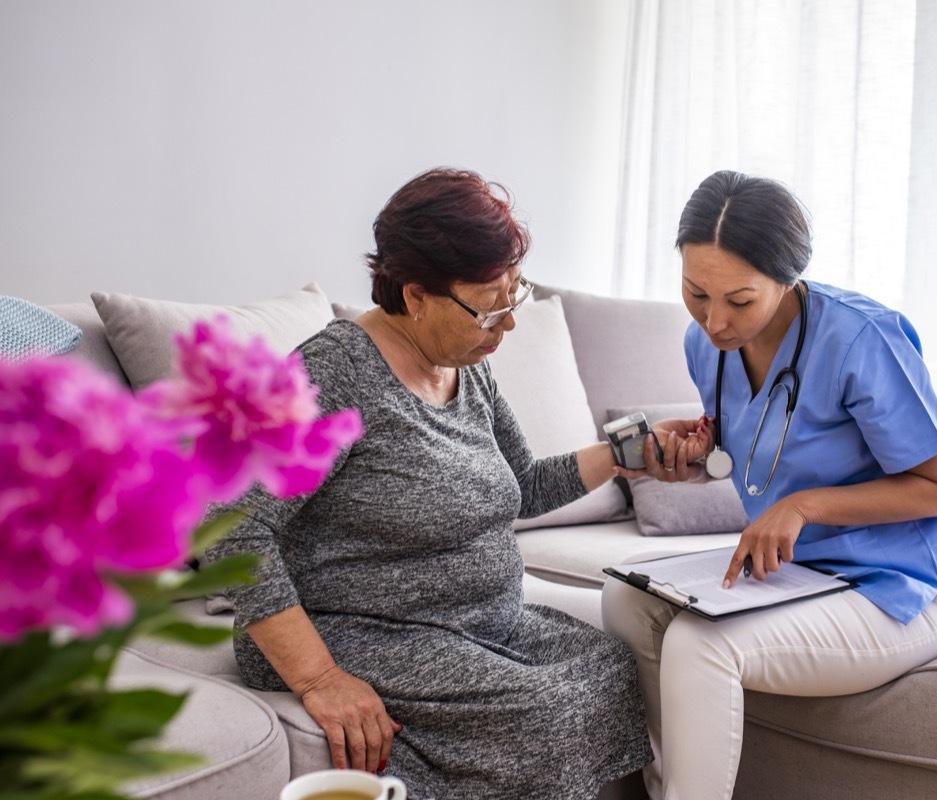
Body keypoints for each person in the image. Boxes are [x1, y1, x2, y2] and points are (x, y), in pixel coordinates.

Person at [209, 167, 652, 800]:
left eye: (514, 294)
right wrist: (319, 679)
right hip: (358, 628)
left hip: (474, 622)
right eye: (489, 306)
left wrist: (624, 456)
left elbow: (520, 486)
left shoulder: (463, 367)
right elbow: (232, 526)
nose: (508, 325)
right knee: (545, 709)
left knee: (610, 667)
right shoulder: (329, 374)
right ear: (415, 296)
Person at [601, 170, 937, 800]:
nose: (716, 320)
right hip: (793, 576)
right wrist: (694, 456)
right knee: (624, 600)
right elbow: (749, 453)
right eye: (697, 293)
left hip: (899, 586)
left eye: (740, 301)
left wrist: (804, 506)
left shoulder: (863, 338)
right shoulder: (704, 344)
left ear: (788, 278)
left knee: (701, 643)